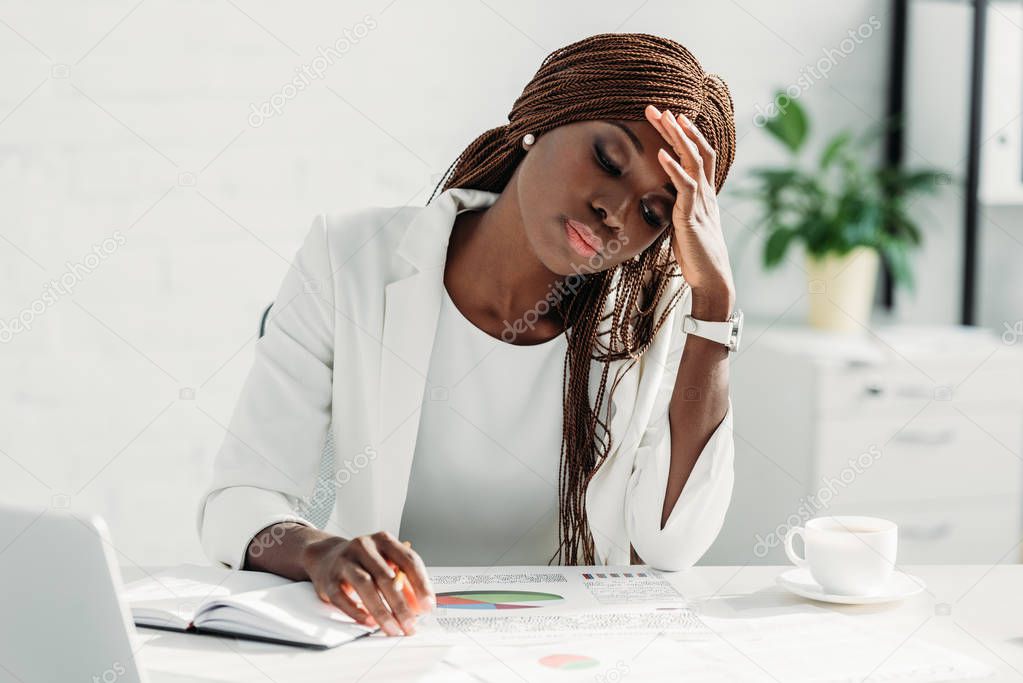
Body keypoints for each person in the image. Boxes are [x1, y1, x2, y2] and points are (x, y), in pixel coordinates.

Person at [195, 32, 739, 638]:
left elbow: (671, 546)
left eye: (653, 212)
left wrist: (714, 306)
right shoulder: (350, 258)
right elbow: (239, 501)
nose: (616, 209)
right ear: (543, 118)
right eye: (610, 160)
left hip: (566, 651)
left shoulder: (652, 319)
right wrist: (319, 552)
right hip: (392, 644)